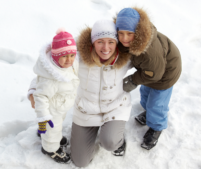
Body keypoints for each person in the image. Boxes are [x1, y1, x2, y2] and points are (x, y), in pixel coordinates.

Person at [28, 19, 132, 167]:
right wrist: (33, 90)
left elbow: (152, 59)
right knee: (80, 162)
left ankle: (117, 140)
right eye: (100, 41)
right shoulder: (77, 55)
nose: (106, 48)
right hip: (86, 111)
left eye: (111, 42)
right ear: (92, 42)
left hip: (114, 107)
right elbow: (50, 70)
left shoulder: (125, 55)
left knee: (110, 142)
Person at [115, 7, 182, 150]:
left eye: (129, 33)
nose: (124, 38)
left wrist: (133, 80)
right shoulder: (133, 41)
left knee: (157, 103)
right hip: (150, 70)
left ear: (138, 32)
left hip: (165, 74)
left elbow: (155, 73)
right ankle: (148, 112)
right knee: (145, 93)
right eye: (120, 33)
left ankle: (156, 126)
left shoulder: (149, 52)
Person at [29, 28, 79, 164]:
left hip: (61, 106)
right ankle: (50, 148)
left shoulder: (71, 64)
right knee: (53, 128)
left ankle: (46, 134)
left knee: (56, 127)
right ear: (56, 56)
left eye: (72, 55)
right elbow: (40, 96)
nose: (69, 60)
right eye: (64, 56)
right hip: (51, 111)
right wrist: (44, 117)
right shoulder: (51, 78)